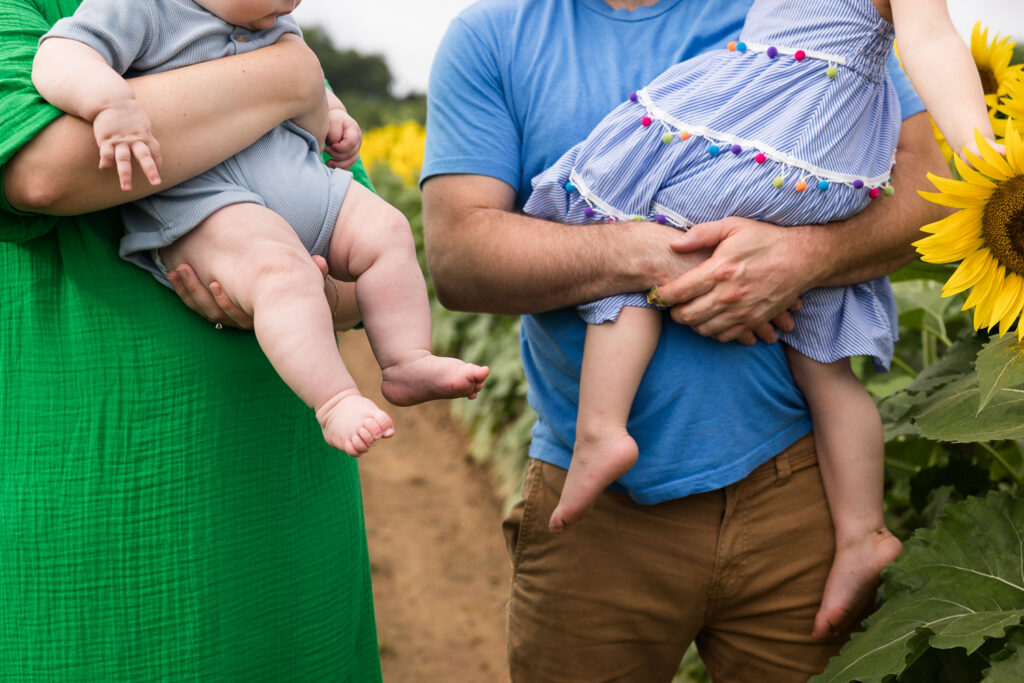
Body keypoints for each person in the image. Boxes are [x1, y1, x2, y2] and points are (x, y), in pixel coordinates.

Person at [421, 0, 951, 679]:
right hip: (596, 520)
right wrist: (650, 255)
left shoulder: (798, 12)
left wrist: (805, 258)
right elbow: (461, 259)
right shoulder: (493, 38)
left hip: (797, 492)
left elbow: (933, 182)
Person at [0, 0, 381, 678]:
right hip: (90, 519)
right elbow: (43, 168)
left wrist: (298, 292)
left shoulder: (260, 22)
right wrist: (288, 79)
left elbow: (354, 270)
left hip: (281, 512)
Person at [32, 0, 489, 457]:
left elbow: (308, 85)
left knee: (387, 228)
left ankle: (406, 360)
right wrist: (109, 102)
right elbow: (61, 55)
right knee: (281, 273)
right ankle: (335, 401)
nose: (294, 2)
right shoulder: (140, 7)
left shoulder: (268, 17)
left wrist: (333, 114)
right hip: (208, 204)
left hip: (300, 181)